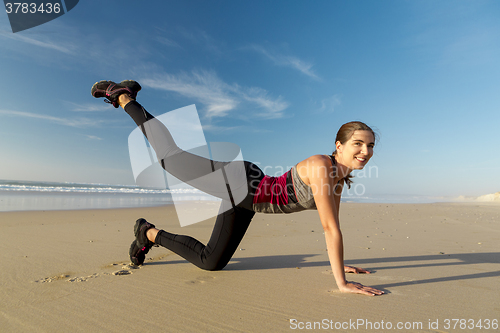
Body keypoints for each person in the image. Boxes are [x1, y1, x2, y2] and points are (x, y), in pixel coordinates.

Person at [91, 80, 384, 296]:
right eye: (358, 143)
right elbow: (330, 228)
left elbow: (334, 226)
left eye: (370, 145)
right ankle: (123, 97)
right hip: (240, 182)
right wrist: (341, 283)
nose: (365, 151)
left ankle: (149, 233)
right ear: (339, 146)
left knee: (211, 262)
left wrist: (340, 265)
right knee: (170, 157)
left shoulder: (338, 180)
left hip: (248, 199)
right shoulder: (322, 167)